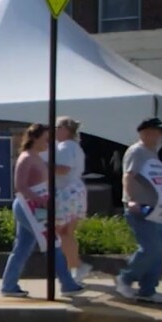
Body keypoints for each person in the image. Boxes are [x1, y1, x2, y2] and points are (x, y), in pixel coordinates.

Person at [0, 124, 86, 298]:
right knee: (53, 243)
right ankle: (67, 284)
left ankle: (8, 286)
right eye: (46, 138)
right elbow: (20, 186)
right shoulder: (26, 158)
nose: (49, 142)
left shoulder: (37, 157)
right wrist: (41, 201)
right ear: (35, 138)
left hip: (36, 206)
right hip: (30, 207)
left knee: (23, 246)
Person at [116, 118, 162, 304]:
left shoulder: (152, 153)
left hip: (157, 210)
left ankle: (148, 290)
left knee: (158, 251)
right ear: (146, 132)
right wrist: (131, 200)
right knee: (150, 249)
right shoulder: (137, 151)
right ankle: (125, 279)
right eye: (159, 132)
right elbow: (128, 176)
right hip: (141, 208)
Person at [53, 117, 91, 282]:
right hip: (75, 191)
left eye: (57, 127)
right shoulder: (74, 147)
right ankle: (74, 267)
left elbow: (63, 169)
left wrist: (42, 166)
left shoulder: (65, 147)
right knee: (67, 232)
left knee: (62, 232)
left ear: (65, 129)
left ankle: (76, 266)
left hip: (67, 191)